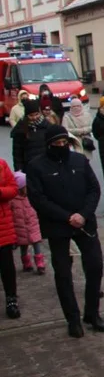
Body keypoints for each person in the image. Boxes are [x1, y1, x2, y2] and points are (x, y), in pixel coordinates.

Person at [26, 125, 104, 339]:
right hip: (58, 227)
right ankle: (72, 318)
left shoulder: (79, 161)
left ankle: (92, 313)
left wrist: (83, 214)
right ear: (49, 145)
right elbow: (38, 199)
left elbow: (93, 189)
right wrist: (66, 217)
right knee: (63, 273)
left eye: (65, 143)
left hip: (85, 223)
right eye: (57, 144)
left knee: (95, 266)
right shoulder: (37, 167)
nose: (62, 147)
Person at [11, 171, 44, 275]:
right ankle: (26, 263)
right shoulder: (12, 200)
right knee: (23, 246)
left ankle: (40, 264)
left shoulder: (32, 196)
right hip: (20, 228)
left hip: (33, 225)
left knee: (36, 244)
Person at [0, 159, 18, 319]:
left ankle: (11, 299)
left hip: (2, 226)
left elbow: (13, 188)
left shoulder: (1, 165)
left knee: (6, 266)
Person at [11, 99, 48, 172]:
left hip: (45, 166)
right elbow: (17, 154)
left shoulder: (47, 126)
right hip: (29, 168)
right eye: (31, 115)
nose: (34, 117)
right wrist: (19, 170)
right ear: (26, 115)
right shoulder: (20, 130)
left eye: (36, 114)